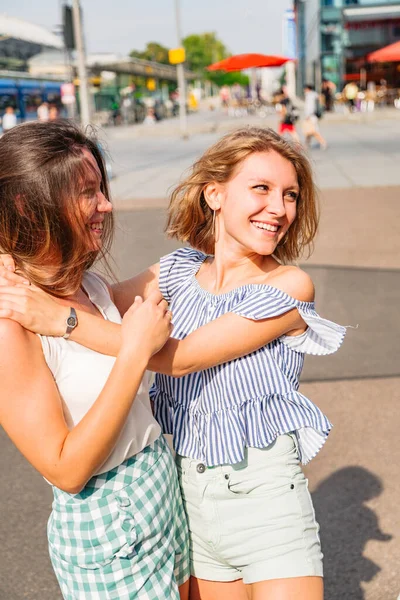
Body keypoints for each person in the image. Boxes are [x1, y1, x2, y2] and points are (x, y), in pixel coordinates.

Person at [0, 127, 347, 600]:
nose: (279, 208)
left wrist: (57, 320)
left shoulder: (289, 286)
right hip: (189, 498)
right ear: (215, 193)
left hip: (263, 496)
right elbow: (92, 302)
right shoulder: (178, 269)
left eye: (290, 195)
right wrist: (10, 257)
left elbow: (175, 358)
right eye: (261, 188)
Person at [0, 120, 190, 600]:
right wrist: (134, 350)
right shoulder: (10, 327)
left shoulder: (89, 284)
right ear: (27, 204)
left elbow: (182, 267)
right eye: (88, 192)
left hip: (161, 487)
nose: (106, 204)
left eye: (102, 188)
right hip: (109, 522)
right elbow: (65, 468)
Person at [303, 84, 328, 150]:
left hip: (311, 116)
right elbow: (320, 98)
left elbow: (310, 107)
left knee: (314, 131)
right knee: (308, 131)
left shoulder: (310, 96)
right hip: (311, 116)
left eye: (305, 89)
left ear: (308, 89)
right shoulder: (313, 94)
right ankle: (306, 145)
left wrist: (308, 115)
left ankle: (323, 142)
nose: (304, 90)